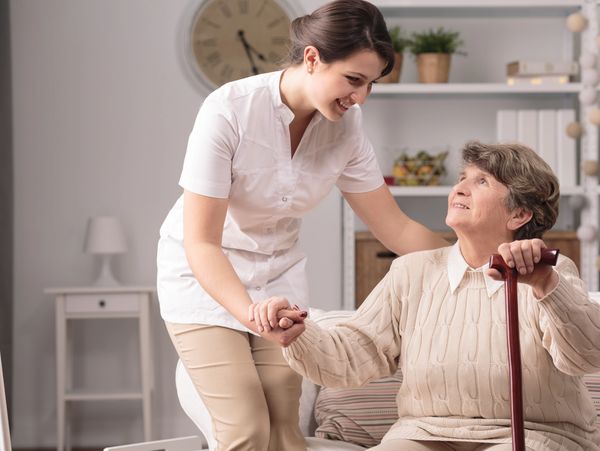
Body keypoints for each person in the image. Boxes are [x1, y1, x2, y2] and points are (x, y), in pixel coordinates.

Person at [156, 0, 447, 449]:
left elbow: (396, 229)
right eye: (353, 79)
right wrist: (250, 313)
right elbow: (202, 243)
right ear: (312, 58)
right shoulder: (229, 110)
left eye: (370, 84)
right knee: (246, 427)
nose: (360, 97)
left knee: (286, 432)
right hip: (204, 277)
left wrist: (477, 260)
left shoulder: (347, 127)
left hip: (278, 277)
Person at [252, 141, 600, 450]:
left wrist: (544, 284)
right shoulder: (411, 272)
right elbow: (354, 354)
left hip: (535, 433)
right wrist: (299, 334)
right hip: (423, 432)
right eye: (463, 177)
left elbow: (585, 356)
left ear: (519, 214)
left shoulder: (550, 271)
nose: (460, 188)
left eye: (482, 181)